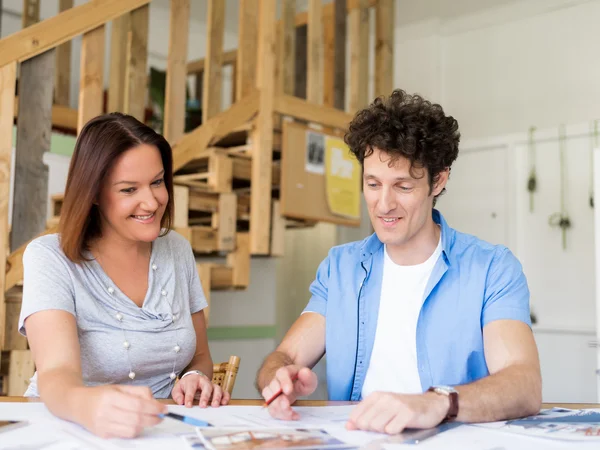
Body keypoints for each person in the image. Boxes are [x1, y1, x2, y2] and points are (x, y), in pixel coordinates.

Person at [256, 90, 542, 434]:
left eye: (403, 186)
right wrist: (278, 379)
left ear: (438, 180)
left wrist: (435, 403)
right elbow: (284, 357)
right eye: (372, 184)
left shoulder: (492, 269)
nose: (383, 204)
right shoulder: (341, 268)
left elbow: (523, 384)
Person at [18, 113, 229, 439]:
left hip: (157, 432)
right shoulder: (49, 257)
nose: (152, 201)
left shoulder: (177, 250)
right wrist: (86, 405)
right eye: (129, 189)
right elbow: (56, 373)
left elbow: (199, 356)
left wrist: (193, 378)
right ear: (93, 193)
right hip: (68, 430)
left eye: (157, 182)